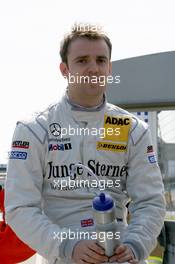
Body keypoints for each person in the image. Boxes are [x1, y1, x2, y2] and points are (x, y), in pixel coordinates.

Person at [5, 23, 166, 264]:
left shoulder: (132, 129)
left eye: (101, 60)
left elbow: (151, 201)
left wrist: (135, 245)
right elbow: (19, 207)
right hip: (61, 254)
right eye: (82, 61)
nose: (93, 68)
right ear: (64, 69)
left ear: (110, 68)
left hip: (121, 255)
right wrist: (68, 246)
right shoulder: (34, 129)